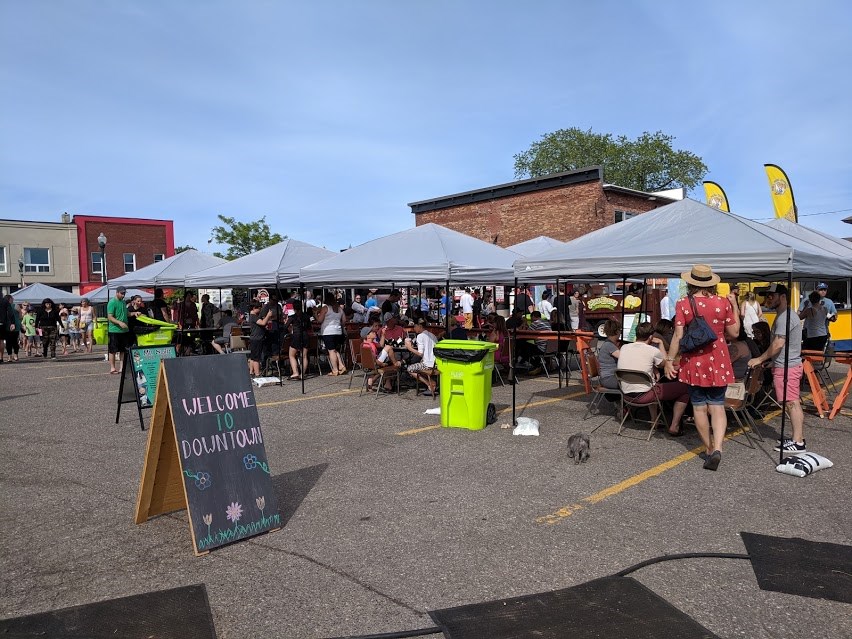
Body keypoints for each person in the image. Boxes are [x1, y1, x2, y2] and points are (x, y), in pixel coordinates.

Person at [664, 265, 740, 471]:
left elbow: (679, 336)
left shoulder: (683, 304)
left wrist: (670, 360)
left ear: (690, 282)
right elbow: (734, 333)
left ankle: (708, 449)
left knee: (698, 407)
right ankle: (718, 448)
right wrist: (735, 307)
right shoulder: (722, 302)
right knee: (717, 405)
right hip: (719, 359)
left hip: (694, 362)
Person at [749, 283, 806, 453]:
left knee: (791, 403)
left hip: (788, 368)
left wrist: (759, 358)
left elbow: (778, 344)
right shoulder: (784, 316)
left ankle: (798, 442)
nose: (768, 299)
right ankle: (798, 438)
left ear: (782, 297)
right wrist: (773, 362)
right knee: (791, 402)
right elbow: (785, 346)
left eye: (771, 296)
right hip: (785, 365)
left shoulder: (785, 317)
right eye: (767, 296)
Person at [618, 322, 691, 437]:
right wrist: (661, 343)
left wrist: (653, 368)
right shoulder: (652, 351)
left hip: (626, 395)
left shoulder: (624, 347)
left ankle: (654, 420)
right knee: (685, 388)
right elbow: (667, 363)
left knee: (652, 384)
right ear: (651, 337)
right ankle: (674, 425)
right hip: (645, 395)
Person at [404, 318, 438, 396]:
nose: (414, 328)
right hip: (435, 364)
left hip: (427, 364)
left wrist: (410, 348)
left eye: (415, 326)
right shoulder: (432, 335)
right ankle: (431, 382)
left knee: (410, 369)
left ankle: (429, 384)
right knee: (419, 364)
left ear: (420, 326)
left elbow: (420, 353)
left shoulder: (420, 336)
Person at [316, 293, 347, 376]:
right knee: (334, 350)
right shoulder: (339, 308)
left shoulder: (325, 308)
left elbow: (320, 320)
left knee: (331, 351)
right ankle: (341, 365)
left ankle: (335, 369)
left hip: (328, 331)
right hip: (338, 331)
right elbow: (344, 320)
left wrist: (315, 314)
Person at [284, 304, 312, 379]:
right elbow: (309, 327)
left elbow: (285, 327)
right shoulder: (306, 316)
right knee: (304, 356)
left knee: (292, 355)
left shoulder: (293, 317)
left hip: (296, 335)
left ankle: (295, 372)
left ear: (294, 309)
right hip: (305, 335)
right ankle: (302, 374)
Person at [107, 287, 130, 373]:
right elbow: (110, 317)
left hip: (124, 330)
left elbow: (126, 313)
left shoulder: (123, 302)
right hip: (114, 330)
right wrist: (119, 323)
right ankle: (112, 368)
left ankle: (122, 368)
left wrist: (134, 313)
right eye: (121, 293)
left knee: (123, 350)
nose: (123, 295)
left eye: (124, 293)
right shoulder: (112, 302)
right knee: (112, 350)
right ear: (117, 293)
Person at [596, 319, 621, 391]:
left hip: (609, 376)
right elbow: (623, 357)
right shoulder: (609, 345)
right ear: (616, 331)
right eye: (620, 330)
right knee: (631, 383)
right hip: (609, 378)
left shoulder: (609, 343)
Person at [247, 302, 269, 377]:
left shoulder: (254, 316)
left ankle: (251, 372)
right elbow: (263, 323)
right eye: (259, 308)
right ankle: (257, 374)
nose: (260, 310)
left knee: (253, 357)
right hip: (257, 338)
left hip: (255, 338)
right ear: (254, 308)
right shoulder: (253, 316)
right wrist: (268, 316)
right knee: (256, 358)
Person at [3, 295, 21, 362]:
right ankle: (15, 355)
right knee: (15, 341)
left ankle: (10, 356)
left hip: (7, 326)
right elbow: (20, 316)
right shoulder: (16, 306)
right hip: (15, 325)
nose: (13, 299)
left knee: (8, 342)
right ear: (10, 299)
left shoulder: (3, 307)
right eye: (12, 298)